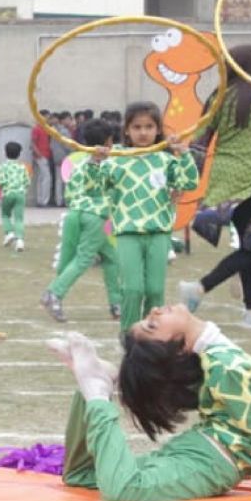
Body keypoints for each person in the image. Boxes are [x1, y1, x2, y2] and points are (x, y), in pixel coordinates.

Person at [52, 303, 251, 501]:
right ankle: (95, 391)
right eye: (153, 325)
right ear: (177, 350)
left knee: (84, 476)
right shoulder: (225, 364)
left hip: (204, 450)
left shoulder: (219, 361)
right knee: (126, 488)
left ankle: (96, 384)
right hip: (212, 460)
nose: (155, 310)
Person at [180, 46, 251, 329]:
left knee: (248, 242)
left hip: (225, 174)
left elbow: (202, 136)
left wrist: (186, 168)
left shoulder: (219, 96)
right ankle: (200, 287)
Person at [88, 102, 198, 332]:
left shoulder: (166, 160)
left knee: (155, 290)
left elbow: (189, 182)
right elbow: (93, 188)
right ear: (126, 130)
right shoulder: (116, 159)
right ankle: (129, 337)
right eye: (137, 127)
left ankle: (154, 336)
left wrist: (184, 153)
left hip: (158, 232)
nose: (143, 132)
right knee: (132, 289)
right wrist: (95, 162)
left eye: (149, 126)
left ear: (158, 129)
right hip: (128, 233)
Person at [41, 119, 122, 323]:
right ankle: (54, 293)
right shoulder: (105, 162)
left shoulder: (79, 160)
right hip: (94, 215)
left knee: (109, 257)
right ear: (108, 141)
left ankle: (116, 303)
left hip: (74, 213)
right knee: (84, 258)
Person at [0, 141, 30, 252]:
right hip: (20, 194)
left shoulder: (3, 167)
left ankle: (9, 233)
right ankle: (20, 241)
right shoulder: (22, 167)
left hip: (7, 194)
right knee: (19, 218)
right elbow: (27, 181)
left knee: (5, 215)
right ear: (19, 154)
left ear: (5, 153)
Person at [31, 111, 54, 207]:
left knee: (41, 178)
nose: (48, 119)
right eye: (47, 117)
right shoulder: (37, 129)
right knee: (46, 178)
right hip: (41, 156)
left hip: (44, 155)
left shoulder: (45, 128)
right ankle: (44, 201)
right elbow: (32, 142)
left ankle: (40, 200)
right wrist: (38, 153)